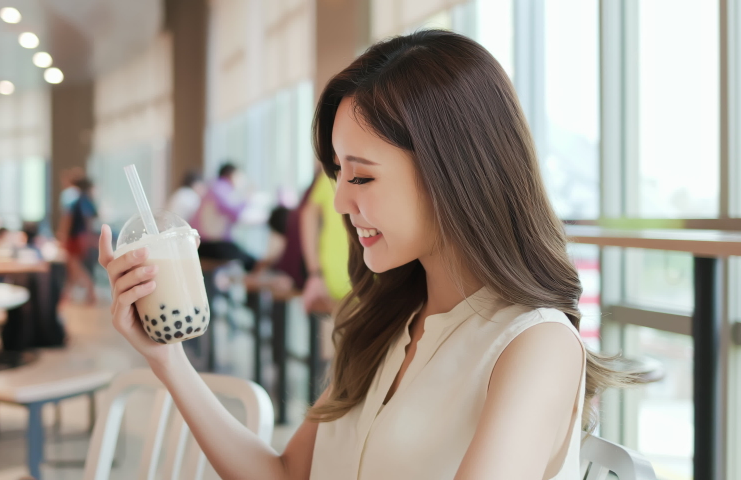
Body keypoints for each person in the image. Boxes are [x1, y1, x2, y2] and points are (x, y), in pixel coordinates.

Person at [97, 31, 641, 479]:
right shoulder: (385, 323)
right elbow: (287, 475)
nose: (338, 200)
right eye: (338, 173)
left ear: (451, 172)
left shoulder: (534, 345)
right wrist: (166, 359)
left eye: (360, 175)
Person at [300, 170, 352, 313]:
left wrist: (314, 272)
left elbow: (308, 215)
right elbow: (308, 215)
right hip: (333, 284)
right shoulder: (331, 171)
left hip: (375, 284)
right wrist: (314, 272)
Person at [191, 162, 256, 270]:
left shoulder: (213, 187)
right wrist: (248, 198)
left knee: (246, 257)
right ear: (231, 175)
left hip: (205, 243)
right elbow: (234, 213)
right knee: (251, 262)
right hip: (210, 245)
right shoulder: (220, 188)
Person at [61, 177, 99, 304]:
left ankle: (90, 291)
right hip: (82, 237)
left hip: (76, 238)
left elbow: (68, 219)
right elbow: (90, 222)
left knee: (74, 265)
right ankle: (67, 294)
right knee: (73, 267)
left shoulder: (77, 202)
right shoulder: (88, 201)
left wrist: (62, 235)